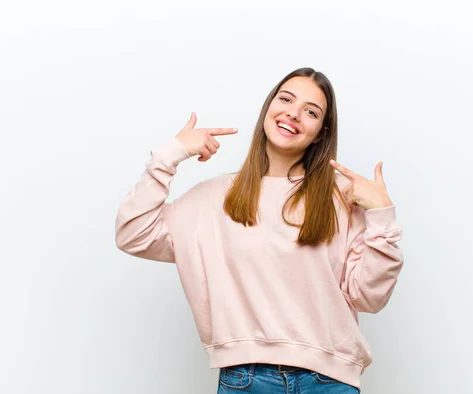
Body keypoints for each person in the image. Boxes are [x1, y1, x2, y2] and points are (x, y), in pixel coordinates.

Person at [115, 67, 404, 393]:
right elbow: (132, 234)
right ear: (269, 108)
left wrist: (381, 216)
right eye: (286, 99)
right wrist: (171, 154)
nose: (293, 114)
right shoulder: (213, 199)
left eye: (310, 111)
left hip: (330, 382)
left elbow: (370, 297)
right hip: (246, 380)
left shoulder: (340, 198)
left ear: (321, 133)